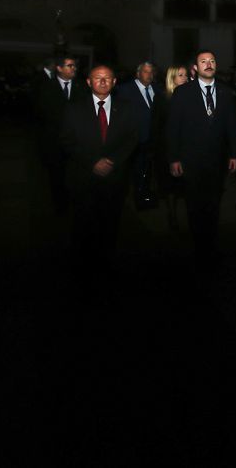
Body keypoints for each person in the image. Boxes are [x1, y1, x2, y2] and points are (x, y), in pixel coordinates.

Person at [59, 65, 139, 297]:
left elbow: (132, 139)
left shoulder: (127, 108)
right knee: (83, 223)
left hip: (114, 178)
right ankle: (81, 269)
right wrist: (93, 162)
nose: (102, 82)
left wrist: (112, 161)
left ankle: (107, 266)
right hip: (83, 177)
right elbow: (66, 141)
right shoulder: (73, 109)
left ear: (114, 82)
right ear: (88, 82)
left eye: (107, 78)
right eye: (97, 78)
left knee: (110, 224)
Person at [167, 49, 236, 270]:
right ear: (195, 68)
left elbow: (232, 127)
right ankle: (199, 247)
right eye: (203, 61)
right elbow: (173, 128)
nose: (209, 64)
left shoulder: (227, 93)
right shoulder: (183, 93)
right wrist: (174, 158)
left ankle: (211, 244)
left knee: (214, 204)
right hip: (190, 159)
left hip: (217, 161)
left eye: (212, 61)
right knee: (195, 205)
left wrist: (235, 153)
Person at [36, 55, 87, 214]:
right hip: (54, 140)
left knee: (75, 173)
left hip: (76, 140)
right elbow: (44, 112)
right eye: (70, 66)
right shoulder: (46, 87)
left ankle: (75, 201)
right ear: (58, 68)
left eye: (75, 66)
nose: (74, 68)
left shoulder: (81, 86)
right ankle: (60, 205)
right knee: (56, 174)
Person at [116, 61, 158, 209]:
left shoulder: (156, 89)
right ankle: (137, 199)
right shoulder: (125, 90)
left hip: (151, 140)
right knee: (135, 171)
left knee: (148, 171)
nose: (149, 75)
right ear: (138, 73)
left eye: (151, 72)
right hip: (134, 139)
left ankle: (145, 195)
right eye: (146, 72)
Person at [153, 65, 188, 232]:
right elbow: (157, 128)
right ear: (172, 78)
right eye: (181, 75)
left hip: (187, 148)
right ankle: (171, 214)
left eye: (186, 75)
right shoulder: (162, 99)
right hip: (167, 149)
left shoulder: (191, 98)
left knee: (183, 183)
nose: (185, 78)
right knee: (170, 184)